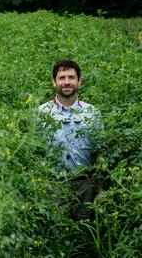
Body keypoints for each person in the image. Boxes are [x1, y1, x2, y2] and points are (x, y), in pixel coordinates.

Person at [38, 59, 103, 221]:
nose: (66, 82)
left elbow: (99, 153)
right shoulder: (42, 113)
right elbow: (35, 153)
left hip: (86, 186)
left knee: (84, 233)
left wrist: (102, 188)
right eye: (62, 78)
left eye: (71, 77)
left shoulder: (92, 112)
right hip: (54, 185)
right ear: (54, 82)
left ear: (79, 81)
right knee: (58, 233)